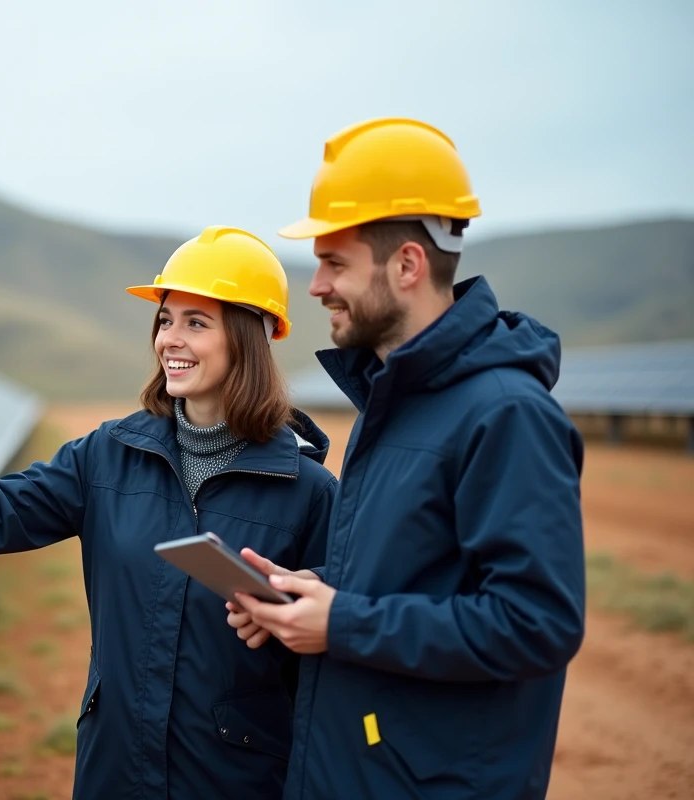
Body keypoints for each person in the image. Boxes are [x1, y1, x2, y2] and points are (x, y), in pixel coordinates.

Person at [0, 225, 339, 799]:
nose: (170, 339)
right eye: (166, 319)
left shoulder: (308, 490)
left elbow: (339, 626)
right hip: (115, 770)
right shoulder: (106, 456)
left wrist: (308, 595)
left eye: (196, 323)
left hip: (237, 781)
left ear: (249, 339)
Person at [226, 118, 586, 800]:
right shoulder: (391, 401)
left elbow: (537, 623)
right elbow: (418, 574)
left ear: (408, 265)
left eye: (334, 263)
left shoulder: (506, 413)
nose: (315, 286)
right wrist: (305, 596)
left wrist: (342, 621)